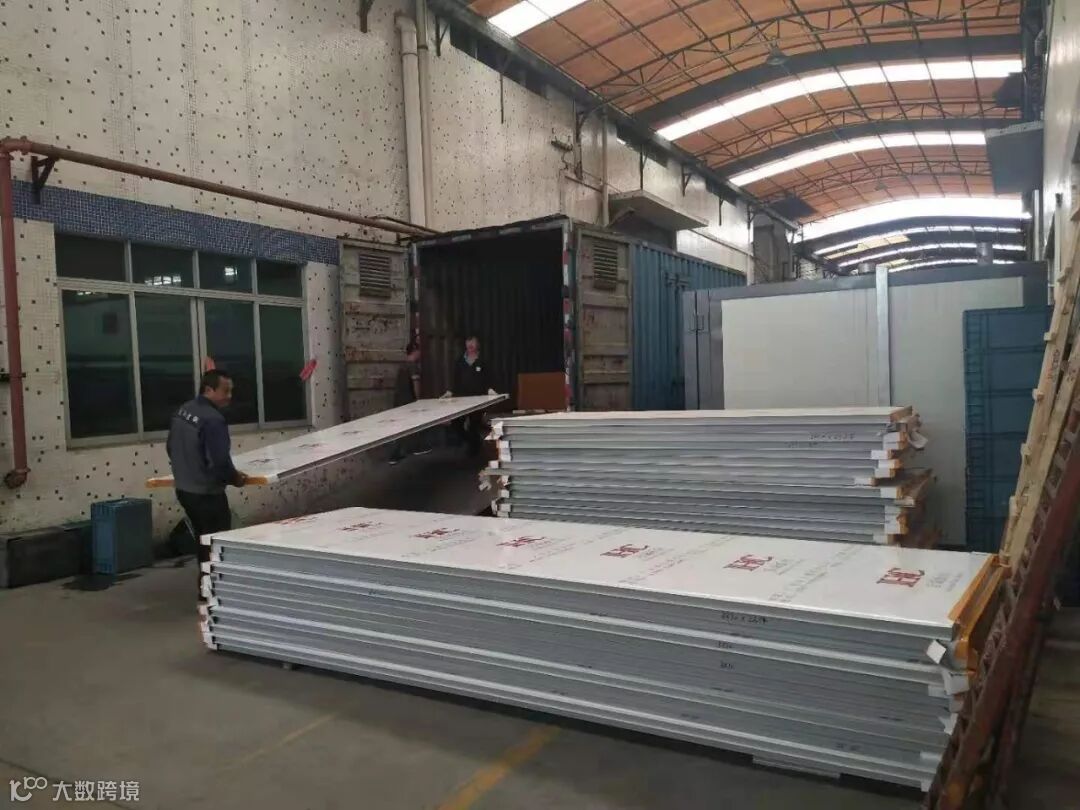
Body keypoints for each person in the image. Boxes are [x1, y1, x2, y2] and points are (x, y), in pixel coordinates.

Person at [166, 370, 248, 597]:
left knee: (204, 541)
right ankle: (214, 594)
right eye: (225, 391)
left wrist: (186, 469)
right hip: (207, 494)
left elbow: (170, 447)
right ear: (209, 389)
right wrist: (235, 478)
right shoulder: (213, 420)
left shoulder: (184, 410)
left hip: (185, 489)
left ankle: (207, 589)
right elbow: (219, 462)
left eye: (231, 391)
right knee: (216, 544)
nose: (229, 396)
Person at [444, 336, 495, 457]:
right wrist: (450, 391)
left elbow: (489, 378)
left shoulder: (483, 360)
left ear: (478, 344)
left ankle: (474, 451)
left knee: (474, 425)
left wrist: (490, 389)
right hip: (461, 399)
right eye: (468, 342)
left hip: (478, 399)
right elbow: (455, 379)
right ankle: (474, 442)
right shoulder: (460, 361)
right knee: (456, 424)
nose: (470, 344)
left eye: (473, 342)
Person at [389, 342, 428, 464]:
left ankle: (395, 455)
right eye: (419, 351)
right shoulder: (413, 366)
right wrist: (418, 399)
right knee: (416, 424)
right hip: (408, 401)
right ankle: (416, 448)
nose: (420, 353)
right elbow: (415, 383)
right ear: (415, 351)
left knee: (399, 428)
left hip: (398, 401)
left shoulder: (402, 366)